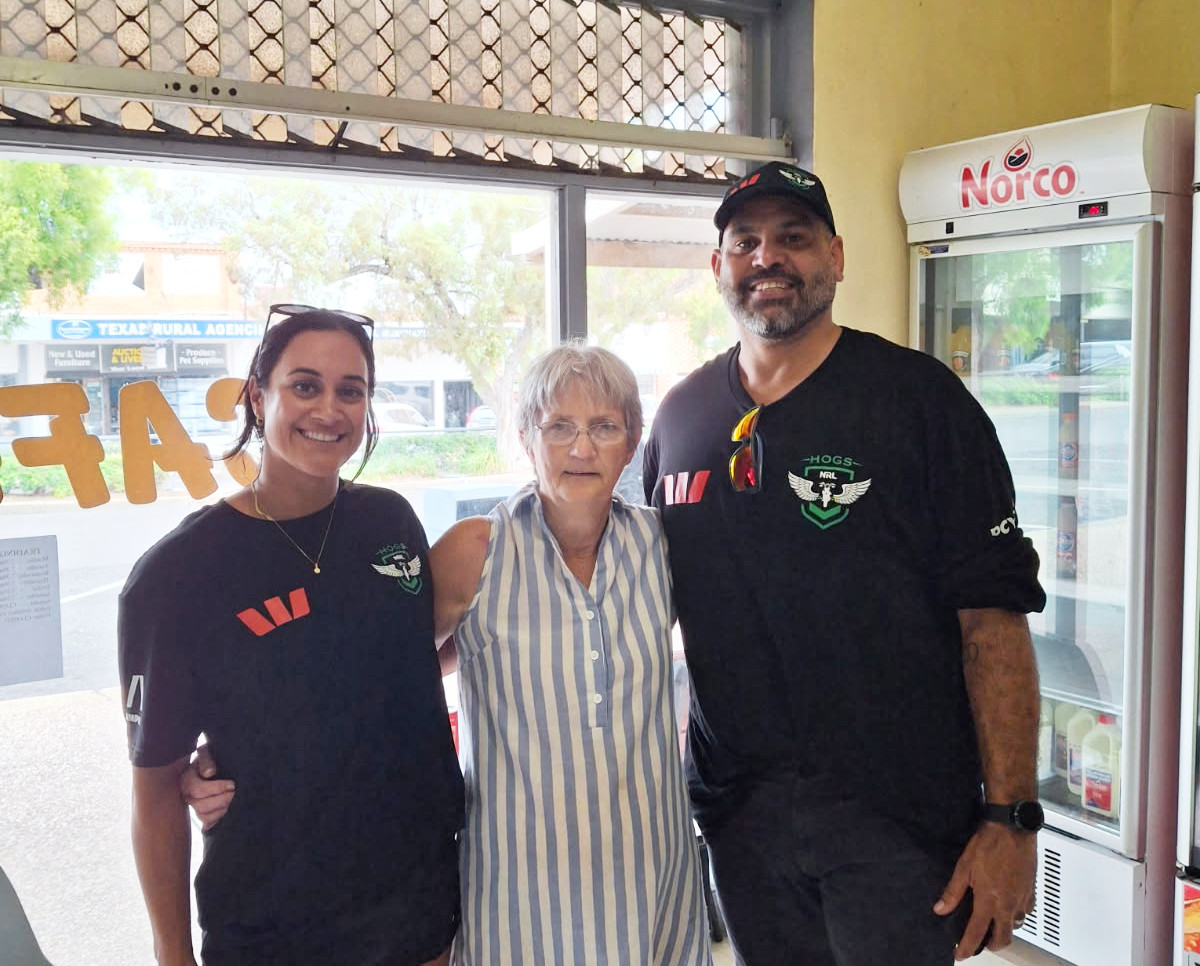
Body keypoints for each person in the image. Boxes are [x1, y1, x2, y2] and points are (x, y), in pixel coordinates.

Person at [185, 344, 711, 965]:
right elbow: (379, 677)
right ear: (526, 438)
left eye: (604, 427)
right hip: (521, 880)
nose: (581, 448)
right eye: (559, 427)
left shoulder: (663, 547)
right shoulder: (477, 550)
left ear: (632, 442)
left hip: (652, 861)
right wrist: (240, 754)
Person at [641, 162, 1047, 966]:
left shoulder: (920, 402)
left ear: (835, 256)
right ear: (717, 265)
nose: (768, 257)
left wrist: (1010, 820)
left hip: (895, 823)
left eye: (793, 237)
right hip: (742, 818)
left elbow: (992, 625)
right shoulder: (681, 418)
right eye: (745, 242)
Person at [118, 305, 464, 966]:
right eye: (305, 385)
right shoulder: (177, 576)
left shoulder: (390, 522)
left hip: (417, 905)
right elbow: (155, 787)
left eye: (350, 390)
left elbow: (402, 656)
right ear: (258, 395)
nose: (328, 410)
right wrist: (173, 954)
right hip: (271, 923)